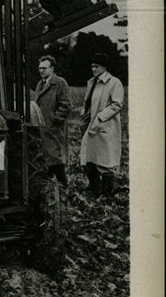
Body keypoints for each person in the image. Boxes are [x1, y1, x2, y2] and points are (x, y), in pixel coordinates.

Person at [79, 52, 124, 199]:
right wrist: (84, 112)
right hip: (92, 125)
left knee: (105, 163)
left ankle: (106, 195)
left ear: (104, 67)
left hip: (105, 127)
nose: (93, 69)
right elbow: (89, 101)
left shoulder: (114, 82)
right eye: (92, 66)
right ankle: (95, 192)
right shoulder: (92, 82)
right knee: (90, 161)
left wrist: (100, 116)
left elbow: (117, 104)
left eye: (96, 66)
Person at [32, 54, 71, 185]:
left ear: (52, 68)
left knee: (56, 161)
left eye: (44, 68)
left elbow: (65, 105)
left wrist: (55, 121)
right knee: (46, 161)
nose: (41, 70)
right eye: (39, 68)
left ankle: (64, 188)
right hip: (42, 128)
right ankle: (51, 191)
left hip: (53, 129)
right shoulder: (40, 84)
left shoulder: (60, 83)